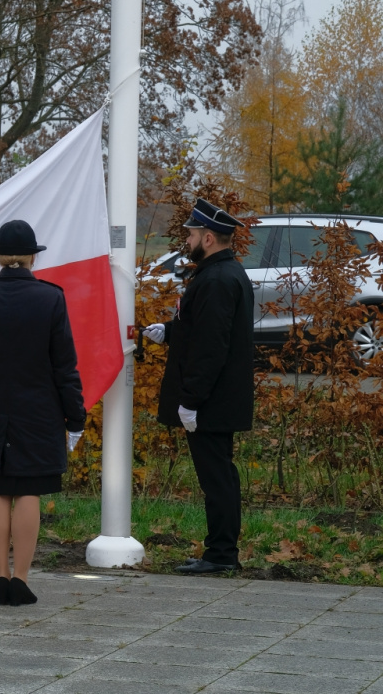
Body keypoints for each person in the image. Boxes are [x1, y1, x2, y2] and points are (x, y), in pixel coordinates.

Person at [0, 220, 86, 607]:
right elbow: (65, 367)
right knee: (29, 490)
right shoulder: (51, 299)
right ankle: (21, 580)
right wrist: (75, 418)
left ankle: (0, 575)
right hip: (39, 413)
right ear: (32, 257)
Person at [143, 198, 254, 574]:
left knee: (217, 478)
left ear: (208, 238)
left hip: (211, 402)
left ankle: (221, 555)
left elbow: (211, 348)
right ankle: (220, 551)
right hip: (217, 399)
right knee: (220, 475)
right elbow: (205, 328)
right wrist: (170, 330)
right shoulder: (221, 273)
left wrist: (190, 401)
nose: (186, 240)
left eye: (191, 234)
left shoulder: (217, 280)